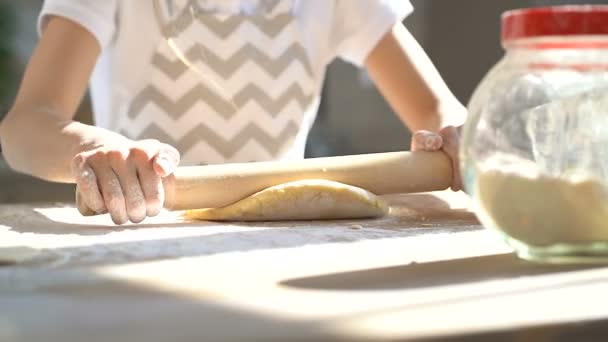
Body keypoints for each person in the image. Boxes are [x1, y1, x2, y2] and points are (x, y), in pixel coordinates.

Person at [0, 0, 466, 224]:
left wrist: (458, 135)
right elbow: (26, 125)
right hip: (140, 237)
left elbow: (438, 111)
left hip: (284, 240)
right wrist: (97, 150)